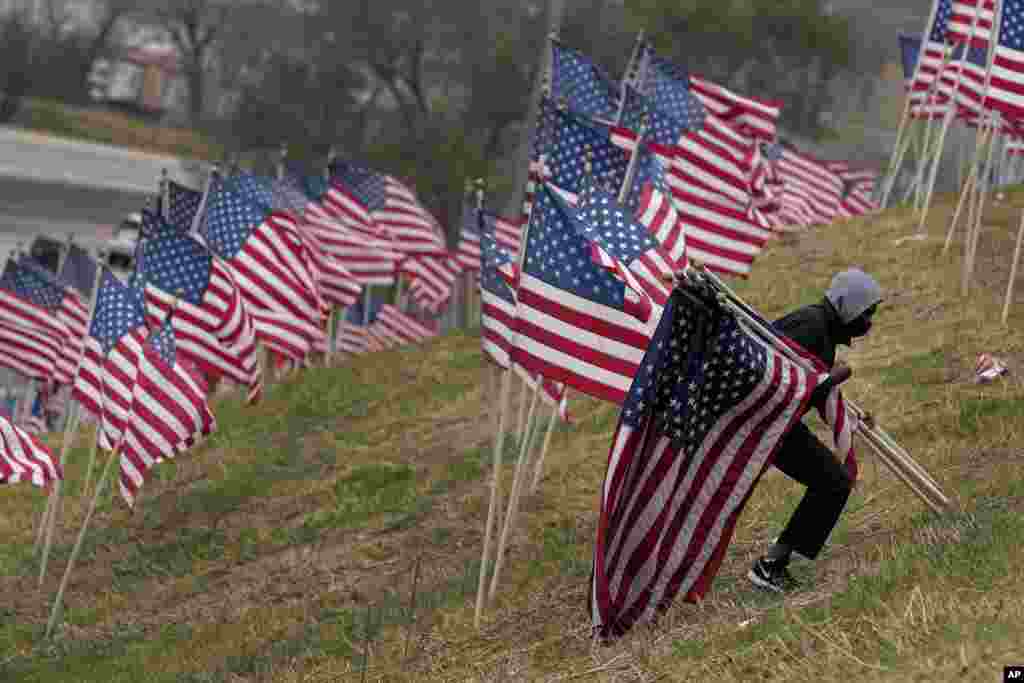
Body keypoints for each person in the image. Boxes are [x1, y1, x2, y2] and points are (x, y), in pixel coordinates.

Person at [748, 268, 883, 593]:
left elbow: (813, 384)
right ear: (846, 306)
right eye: (866, 313)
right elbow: (777, 376)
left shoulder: (821, 328)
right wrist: (831, 379)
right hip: (764, 423)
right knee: (833, 481)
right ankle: (770, 565)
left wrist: (851, 415)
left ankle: (775, 559)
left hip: (778, 423)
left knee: (833, 481)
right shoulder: (811, 326)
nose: (868, 322)